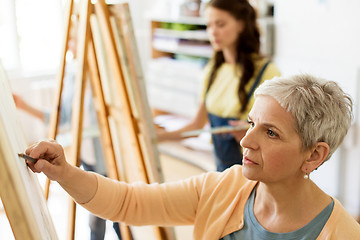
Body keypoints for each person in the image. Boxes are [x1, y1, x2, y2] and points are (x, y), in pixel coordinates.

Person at [25, 74, 360, 239]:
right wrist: (65, 172)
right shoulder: (223, 188)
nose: (246, 140)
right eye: (251, 124)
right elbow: (127, 203)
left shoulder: (341, 233)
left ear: (314, 155)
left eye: (270, 133)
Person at [13, 35, 122, 240]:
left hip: (111, 156)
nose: (70, 46)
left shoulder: (109, 73)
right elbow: (62, 117)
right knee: (100, 213)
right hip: (89, 157)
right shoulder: (74, 76)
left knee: (113, 213)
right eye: (70, 40)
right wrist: (24, 106)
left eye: (73, 40)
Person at [156, 0, 281, 171]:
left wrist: (251, 133)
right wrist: (156, 137)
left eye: (220, 24)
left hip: (257, 172)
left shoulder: (268, 73)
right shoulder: (211, 72)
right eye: (209, 25)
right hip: (222, 171)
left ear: (241, 25)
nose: (213, 32)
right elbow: (196, 126)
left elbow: (280, 136)